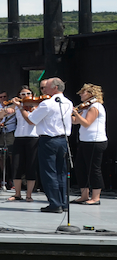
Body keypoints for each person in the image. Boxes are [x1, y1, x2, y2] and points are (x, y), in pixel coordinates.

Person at [27, 77, 73, 213]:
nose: (44, 89)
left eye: (46, 87)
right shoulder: (68, 103)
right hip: (63, 140)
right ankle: (63, 202)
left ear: (55, 88)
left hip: (49, 140)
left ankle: (54, 203)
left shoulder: (47, 103)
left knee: (49, 173)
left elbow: (31, 120)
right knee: (61, 172)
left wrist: (22, 109)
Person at [71, 83, 107, 206]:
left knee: (93, 169)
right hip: (85, 141)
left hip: (95, 142)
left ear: (91, 94)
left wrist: (75, 113)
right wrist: (69, 115)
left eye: (83, 92)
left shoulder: (95, 106)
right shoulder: (86, 107)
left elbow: (87, 123)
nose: (81, 94)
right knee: (80, 167)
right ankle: (84, 195)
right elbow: (76, 122)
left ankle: (95, 197)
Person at [7, 86, 39, 202]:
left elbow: (30, 120)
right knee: (16, 165)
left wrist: (20, 107)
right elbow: (3, 114)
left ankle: (29, 194)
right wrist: (8, 108)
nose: (26, 96)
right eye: (23, 94)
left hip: (33, 138)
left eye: (28, 94)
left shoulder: (37, 107)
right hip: (19, 137)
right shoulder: (17, 107)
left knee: (31, 166)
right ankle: (17, 194)